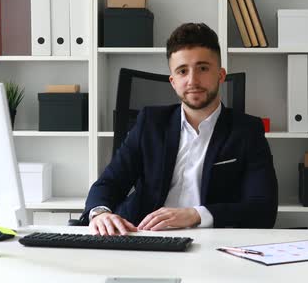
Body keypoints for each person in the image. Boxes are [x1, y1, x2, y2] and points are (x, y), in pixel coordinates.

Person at [83, 23, 278, 235]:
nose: (192, 80)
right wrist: (100, 213)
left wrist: (196, 214)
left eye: (203, 68)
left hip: (210, 240)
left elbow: (263, 209)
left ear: (221, 75)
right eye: (182, 71)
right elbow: (109, 183)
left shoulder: (247, 130)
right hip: (143, 234)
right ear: (173, 81)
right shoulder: (150, 122)